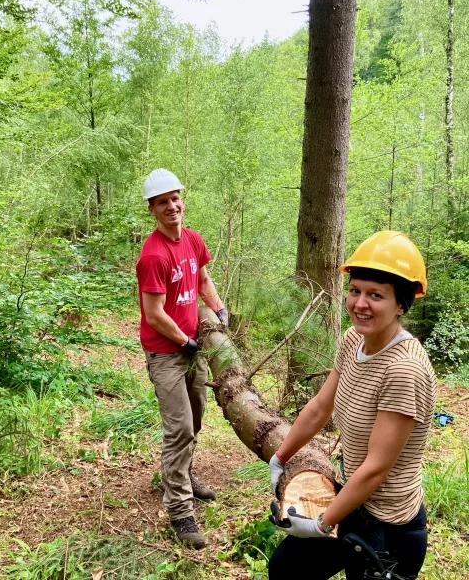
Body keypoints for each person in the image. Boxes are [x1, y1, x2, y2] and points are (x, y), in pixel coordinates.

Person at [268, 231, 437, 580]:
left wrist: (321, 524)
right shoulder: (351, 340)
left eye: (376, 295)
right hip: (353, 500)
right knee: (285, 569)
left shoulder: (403, 370)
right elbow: (319, 407)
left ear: (401, 304)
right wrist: (280, 457)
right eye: (356, 290)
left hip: (390, 530)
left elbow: (376, 468)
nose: (361, 303)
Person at [136, 168, 228, 550]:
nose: (172, 206)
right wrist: (185, 341)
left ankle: (183, 477)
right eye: (163, 202)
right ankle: (180, 511)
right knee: (179, 430)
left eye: (175, 198)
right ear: (153, 210)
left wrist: (220, 312)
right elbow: (155, 313)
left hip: (193, 346)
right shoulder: (153, 255)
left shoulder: (192, 240)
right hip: (167, 354)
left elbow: (203, 280)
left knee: (197, 418)